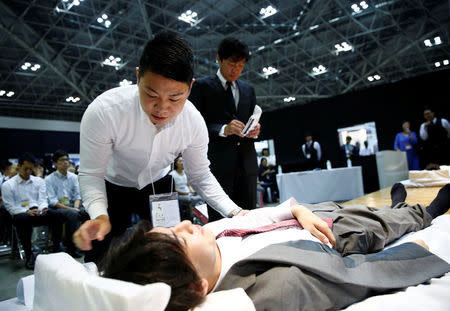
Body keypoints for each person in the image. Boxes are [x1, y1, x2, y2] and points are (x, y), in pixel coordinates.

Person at [102, 183, 450, 311]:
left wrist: (297, 210)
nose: (184, 225)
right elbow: (352, 278)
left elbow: (255, 217)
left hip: (309, 217)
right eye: (179, 238)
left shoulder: (211, 235)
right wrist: (417, 253)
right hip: (334, 237)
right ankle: (426, 211)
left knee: (367, 210)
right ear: (197, 286)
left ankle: (397, 206)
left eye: (170, 227)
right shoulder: (267, 291)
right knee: (384, 225)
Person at [73, 33, 245, 264]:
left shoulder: (193, 122)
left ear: (190, 88)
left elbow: (201, 175)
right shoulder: (105, 112)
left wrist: (234, 212)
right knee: (100, 255)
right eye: (151, 94)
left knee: (169, 257)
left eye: (175, 98)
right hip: (111, 186)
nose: (162, 108)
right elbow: (91, 173)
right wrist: (98, 214)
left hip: (159, 186)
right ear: (137, 77)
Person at [188, 37, 260, 221]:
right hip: (218, 164)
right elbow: (194, 125)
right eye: (232, 64)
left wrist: (255, 129)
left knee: (250, 217)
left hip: (247, 163)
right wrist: (222, 129)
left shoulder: (248, 89)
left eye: (241, 65)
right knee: (220, 219)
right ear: (219, 59)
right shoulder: (202, 87)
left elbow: (252, 118)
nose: (236, 69)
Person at [1, 153, 63, 269]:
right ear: (19, 166)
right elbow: (10, 207)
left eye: (31, 168)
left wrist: (43, 208)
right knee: (23, 219)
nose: (29, 171)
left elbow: (43, 199)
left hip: (37, 210)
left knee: (56, 215)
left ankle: (56, 250)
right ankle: (29, 255)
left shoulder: (38, 181)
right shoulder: (8, 185)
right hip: (21, 213)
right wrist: (25, 211)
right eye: (26, 169)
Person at [45, 150, 87, 258]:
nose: (66, 162)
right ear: (55, 163)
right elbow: (53, 201)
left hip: (73, 205)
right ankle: (71, 247)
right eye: (62, 160)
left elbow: (78, 196)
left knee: (87, 212)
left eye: (67, 159)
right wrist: (72, 209)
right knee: (72, 214)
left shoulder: (73, 177)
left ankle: (86, 244)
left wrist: (75, 207)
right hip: (57, 207)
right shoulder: (49, 179)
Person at [169, 156, 205, 221]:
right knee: (189, 199)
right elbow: (173, 190)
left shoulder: (185, 173)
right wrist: (186, 193)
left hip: (188, 193)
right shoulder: (172, 174)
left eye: (183, 161)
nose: (182, 163)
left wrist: (193, 191)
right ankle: (191, 218)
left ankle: (200, 217)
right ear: (176, 163)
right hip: (179, 195)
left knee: (200, 197)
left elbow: (188, 185)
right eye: (180, 161)